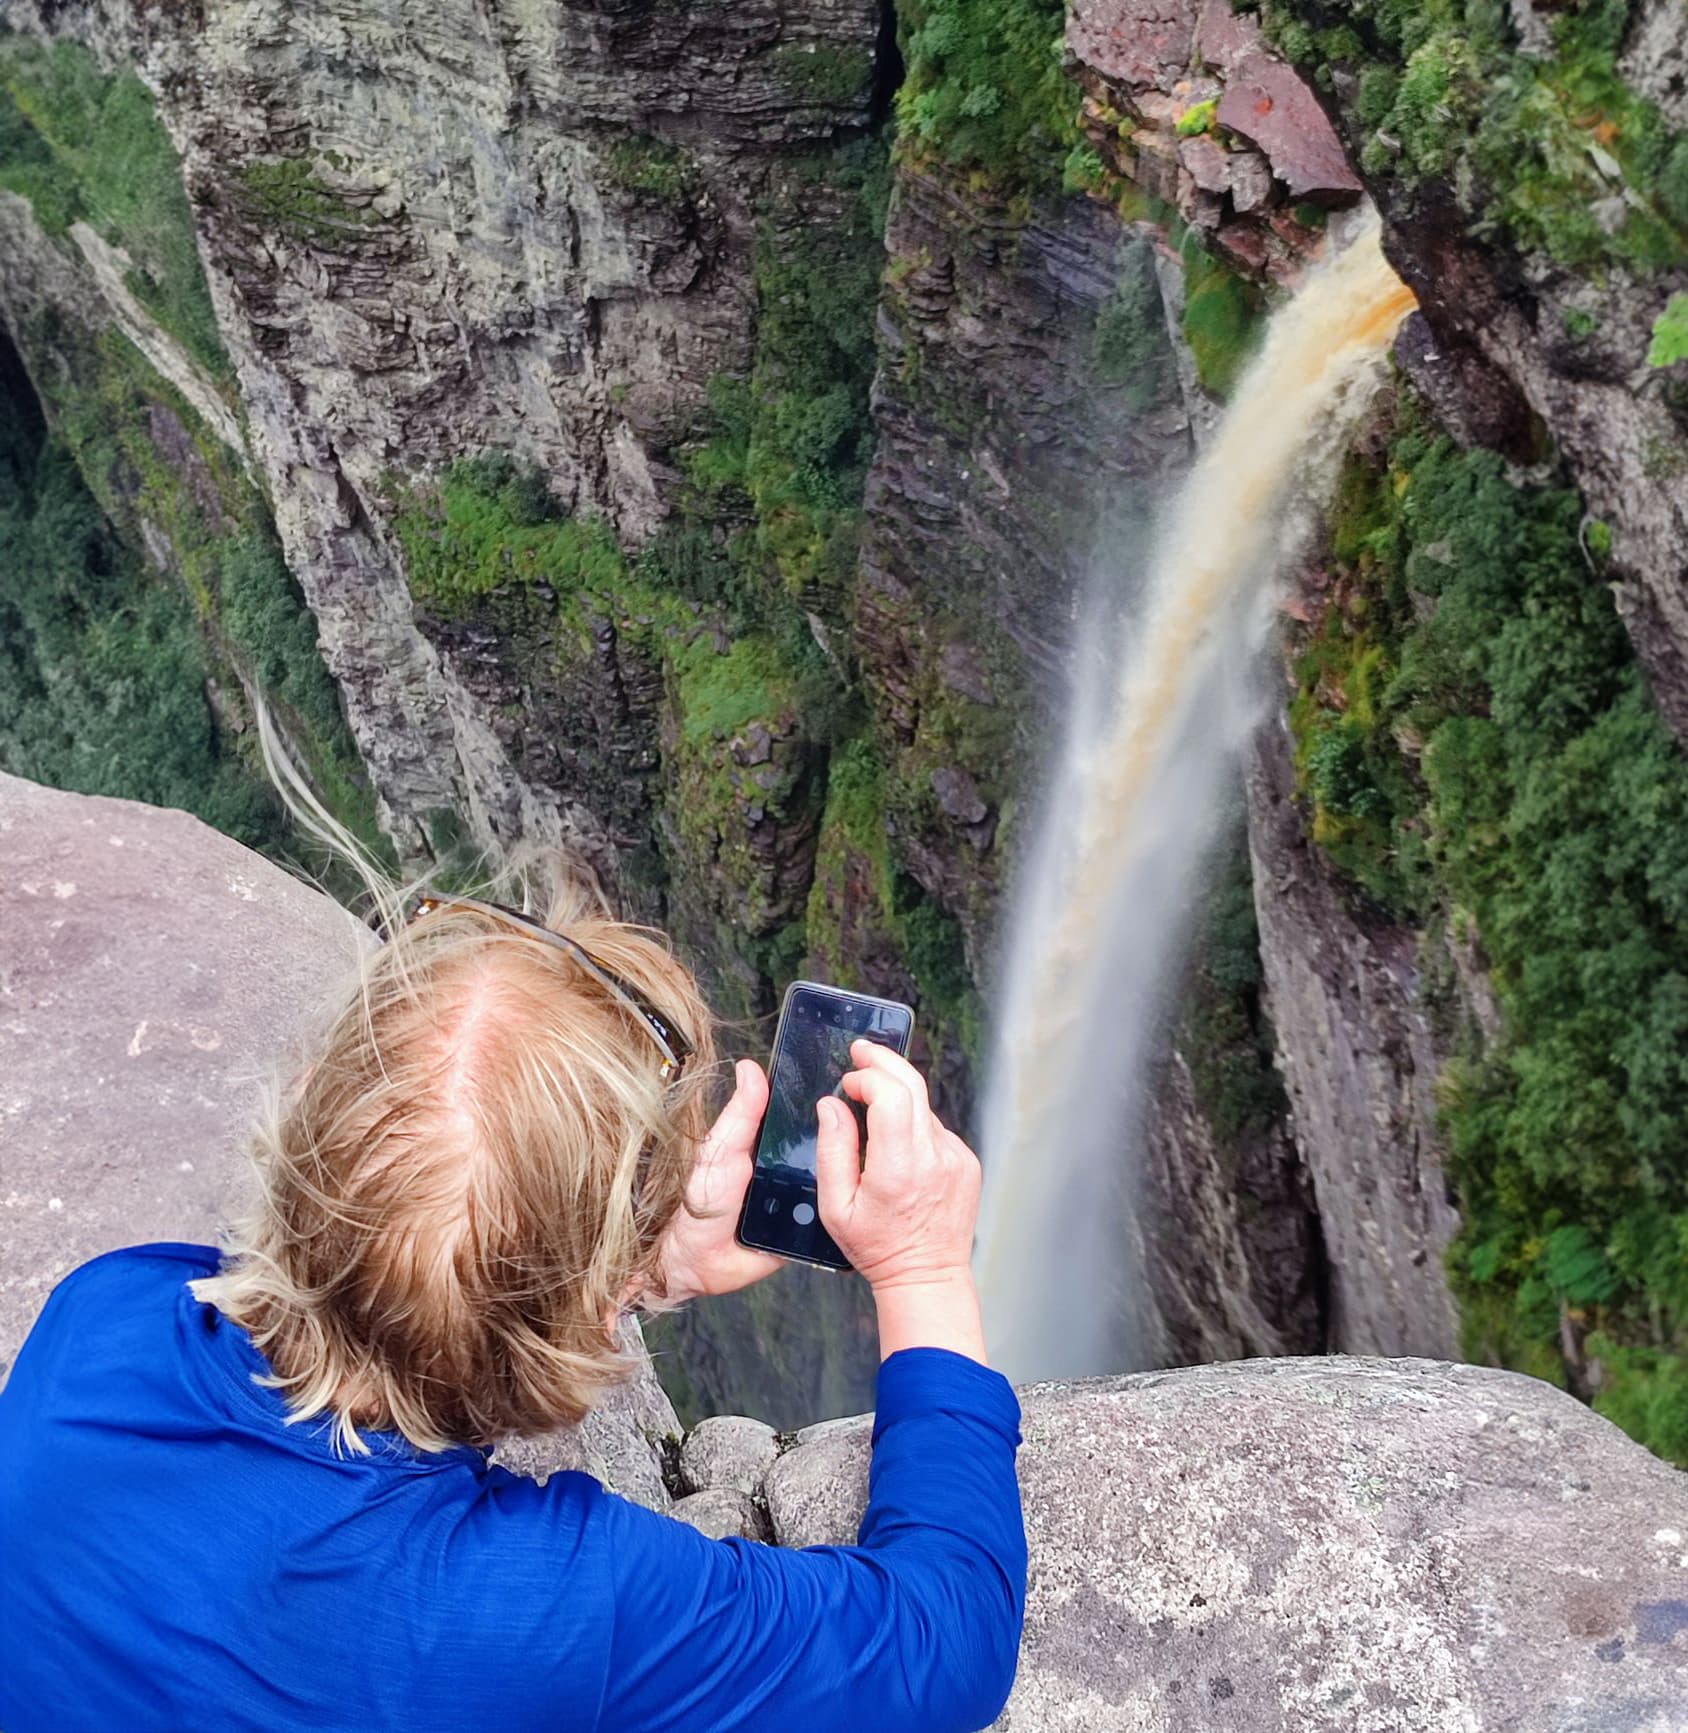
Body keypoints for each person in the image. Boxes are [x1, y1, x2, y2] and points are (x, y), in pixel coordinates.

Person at [0, 700, 1027, 1732]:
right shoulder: (546, 1609)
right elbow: (946, 1644)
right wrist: (918, 1265)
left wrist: (634, 1268)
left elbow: (413, 1261)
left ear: (308, 1107)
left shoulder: (107, 1319)